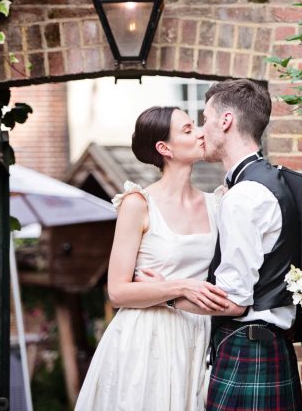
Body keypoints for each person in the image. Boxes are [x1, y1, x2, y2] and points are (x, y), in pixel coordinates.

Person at [75, 106, 242, 411]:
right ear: (165, 148)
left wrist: (179, 292)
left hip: (196, 335)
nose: (202, 132)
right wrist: (179, 288)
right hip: (145, 339)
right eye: (189, 130)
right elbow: (118, 291)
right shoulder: (138, 204)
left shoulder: (217, 204)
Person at [188, 79, 302, 411]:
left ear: (225, 122)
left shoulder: (243, 196)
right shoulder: (272, 181)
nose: (201, 130)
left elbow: (234, 301)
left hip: (247, 350)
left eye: (205, 118)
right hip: (268, 348)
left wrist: (167, 295)